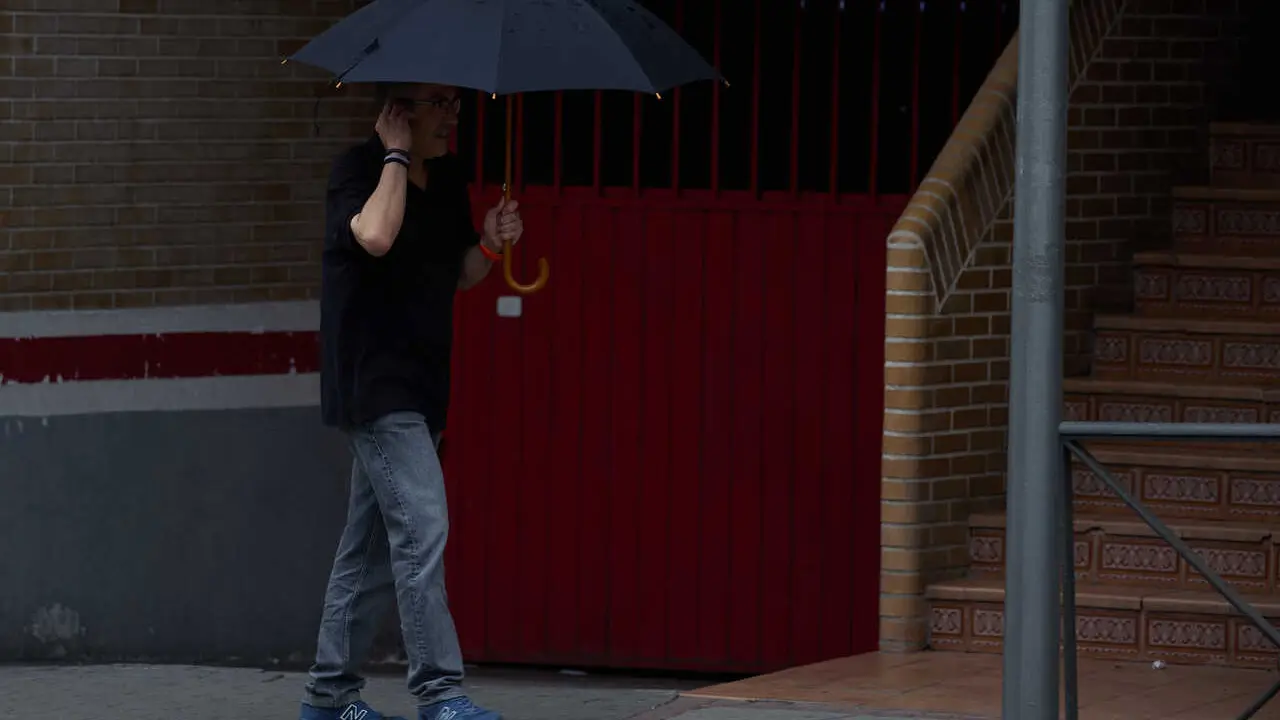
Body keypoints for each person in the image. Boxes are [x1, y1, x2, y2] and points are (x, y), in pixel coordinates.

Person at [300, 83, 520, 720]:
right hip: (372, 384)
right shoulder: (358, 170)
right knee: (423, 527)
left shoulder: (446, 177)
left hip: (423, 387)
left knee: (367, 547)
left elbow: (460, 273)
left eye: (456, 102)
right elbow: (374, 235)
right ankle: (441, 693)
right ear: (399, 108)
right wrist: (394, 156)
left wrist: (489, 242)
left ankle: (327, 697)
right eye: (438, 103)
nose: (453, 115)